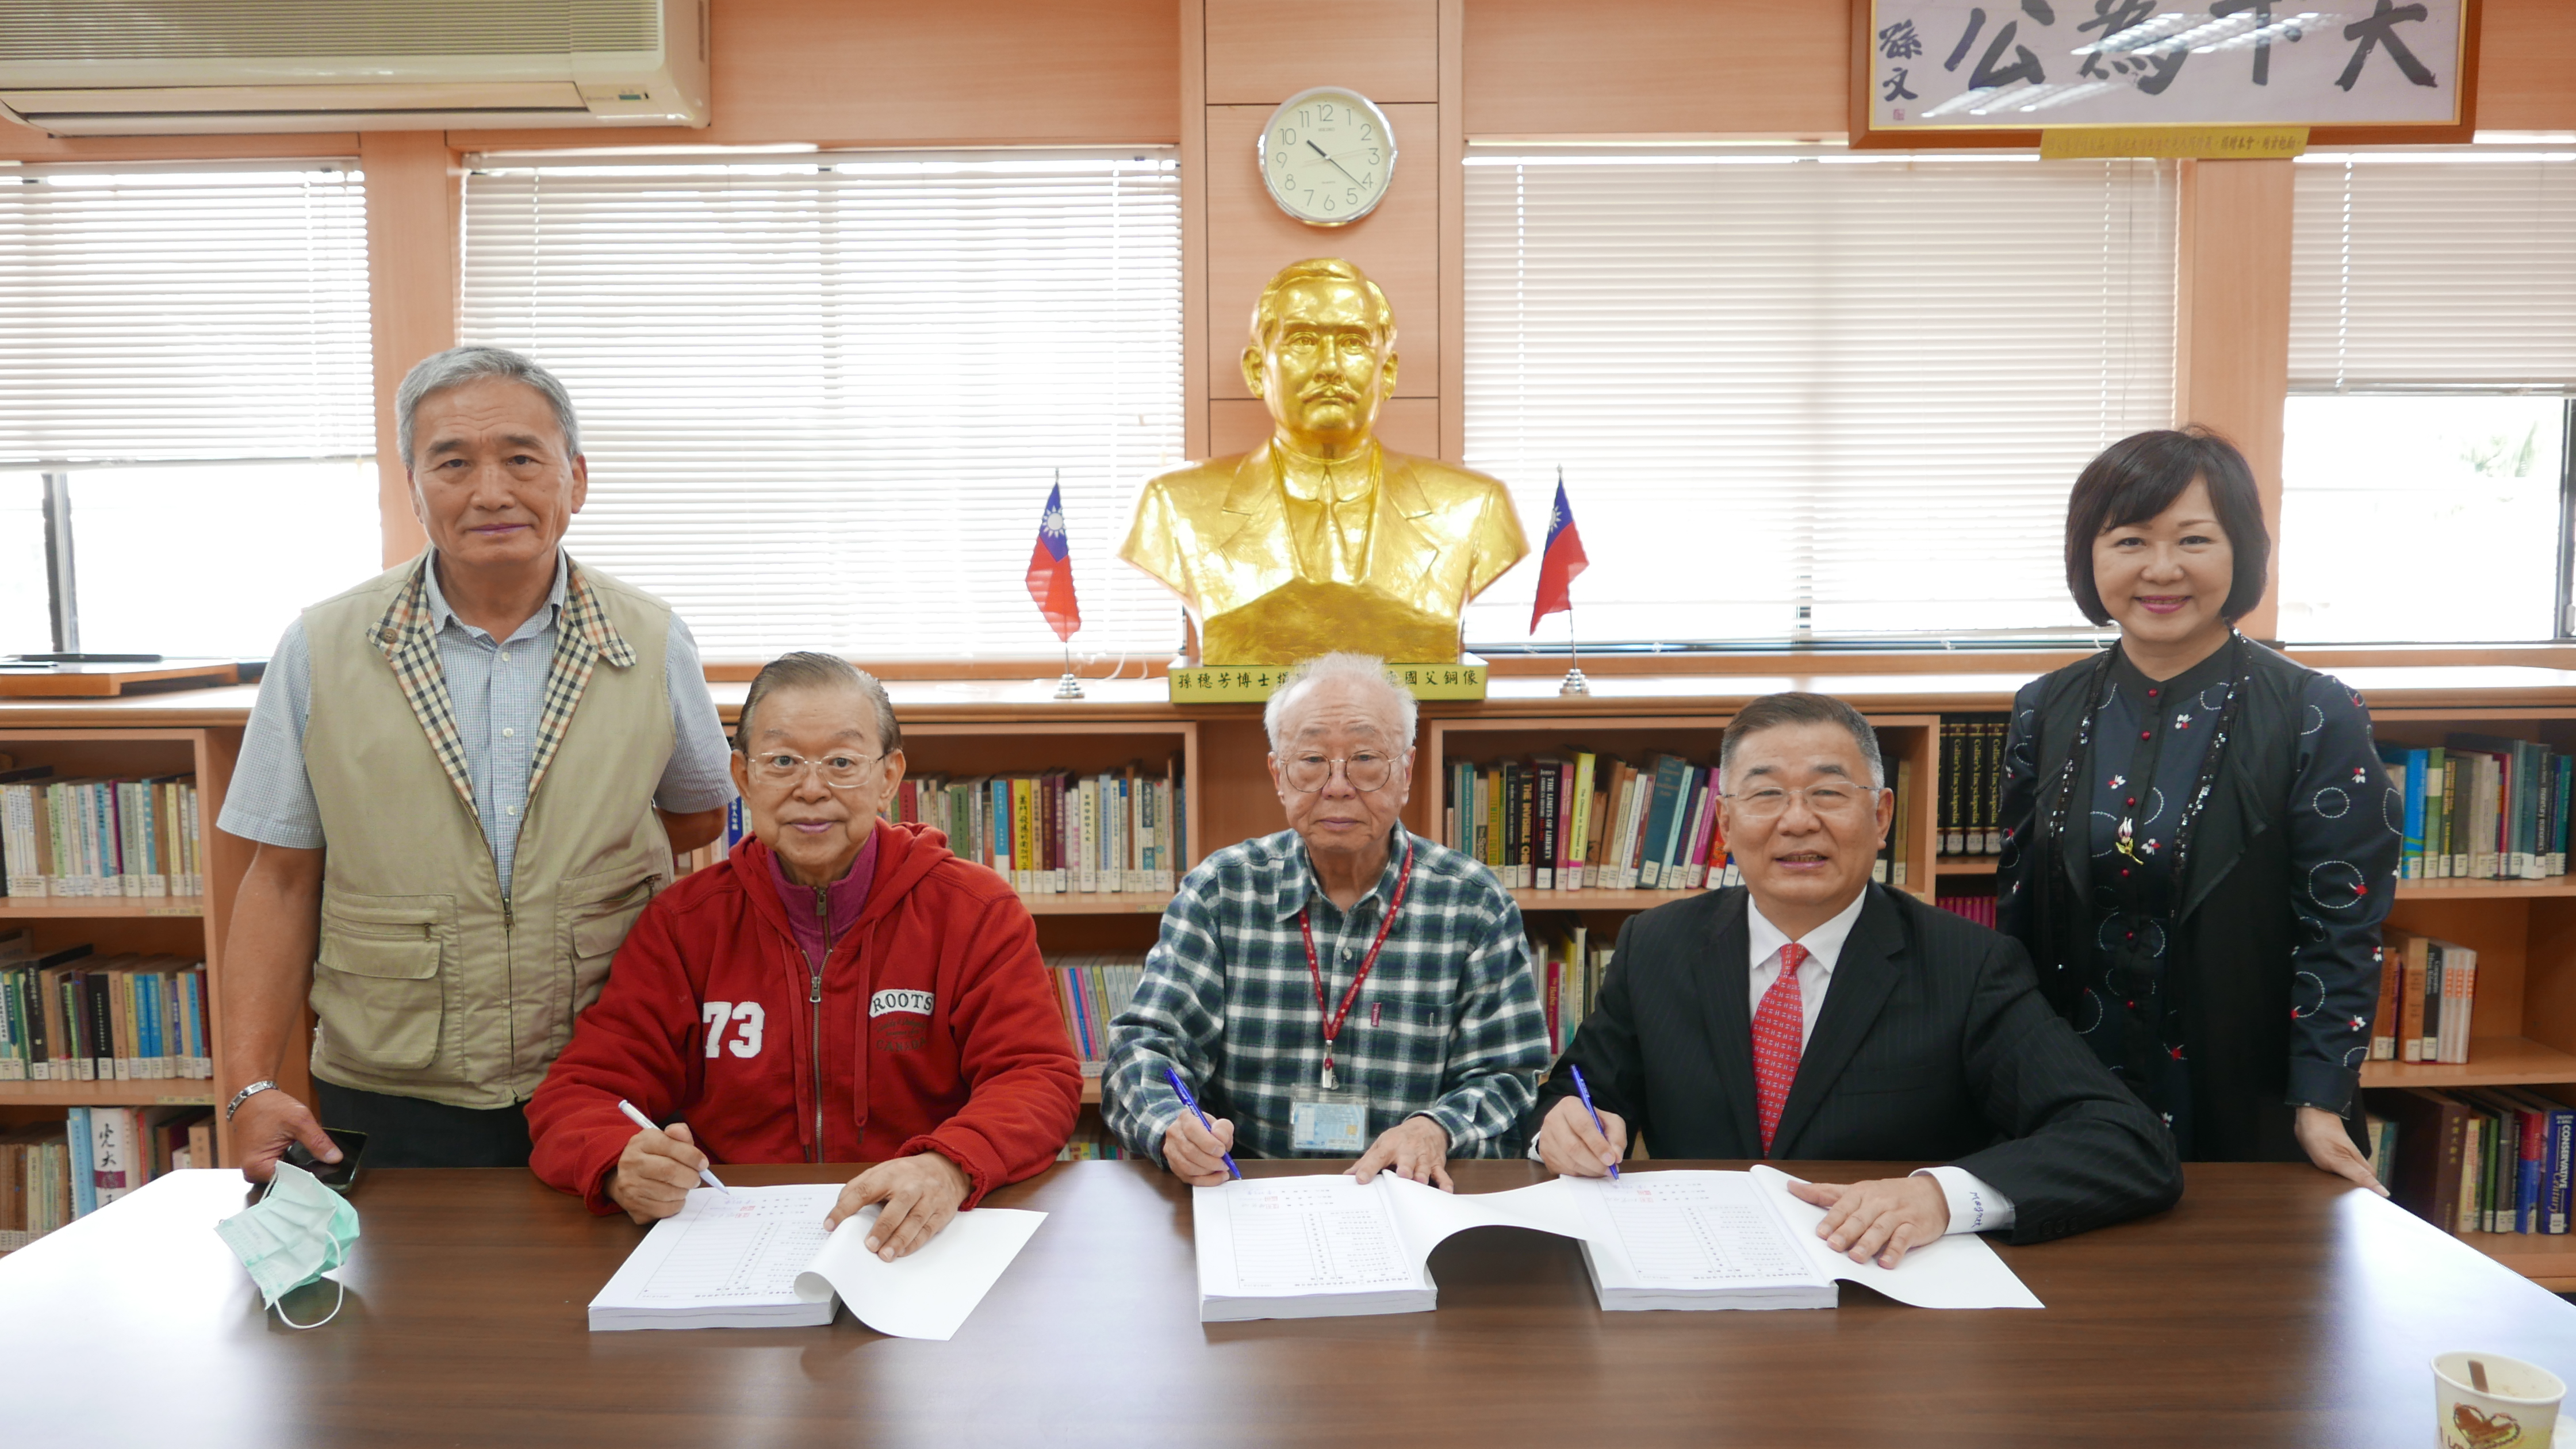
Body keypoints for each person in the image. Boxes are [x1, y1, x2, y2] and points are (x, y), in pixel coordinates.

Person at [217, 344, 733, 1178]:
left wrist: (559, 881)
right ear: (413, 487)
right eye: (453, 463)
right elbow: (280, 879)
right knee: (403, 1270)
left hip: (607, 1065)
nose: (491, 492)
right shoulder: (321, 646)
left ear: (576, 480)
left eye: (522, 459)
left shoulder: (651, 637)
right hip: (390, 1078)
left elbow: (698, 815)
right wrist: (248, 1087)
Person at [1534, 692, 2182, 1267]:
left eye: (1828, 793)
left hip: (1884, 1281)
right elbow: (1577, 1093)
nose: (1797, 821)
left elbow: (2125, 1142)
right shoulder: (1656, 945)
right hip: (1699, 1274)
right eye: (1765, 794)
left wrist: (1939, 1196)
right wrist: (1561, 1128)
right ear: (1726, 824)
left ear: (1880, 816)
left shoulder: (1968, 964)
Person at [528, 654, 1081, 1259]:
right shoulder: (684, 925)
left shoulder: (974, 911)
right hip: (732, 1237)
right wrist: (618, 1161)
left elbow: (1037, 1077)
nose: (811, 790)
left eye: (841, 763)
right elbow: (579, 1094)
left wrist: (948, 1166)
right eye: (783, 762)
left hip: (917, 1234)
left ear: (888, 777)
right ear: (743, 777)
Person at [1997, 427, 2399, 1186]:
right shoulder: (2043, 708)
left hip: (2247, 1090)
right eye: (2130, 541)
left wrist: (2319, 1099)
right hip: (2069, 1089)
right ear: (2089, 555)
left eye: (2193, 539)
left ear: (2240, 550)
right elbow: (2017, 916)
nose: (2162, 569)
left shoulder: (2314, 711)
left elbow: (2342, 927)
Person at [1104, 652, 1550, 1189]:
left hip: (1409, 1189)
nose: (1338, 786)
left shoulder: (1472, 903)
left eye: (1365, 758)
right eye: (1312, 760)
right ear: (1279, 775)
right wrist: (1172, 1127)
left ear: (1406, 772)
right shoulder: (1221, 892)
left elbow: (1508, 1073)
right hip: (1249, 1187)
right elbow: (1147, 1047)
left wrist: (1437, 1128)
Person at [1119, 258, 1525, 665]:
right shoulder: (1171, 506)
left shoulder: (1477, 507)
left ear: (1387, 373)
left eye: (1353, 342)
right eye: (1303, 341)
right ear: (1258, 370)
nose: (1330, 367)